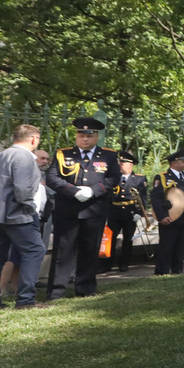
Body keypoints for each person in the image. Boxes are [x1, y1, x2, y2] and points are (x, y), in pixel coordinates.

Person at [45, 117, 121, 298]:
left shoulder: (109, 156)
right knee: (62, 253)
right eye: (81, 134)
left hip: (94, 209)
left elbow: (113, 179)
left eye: (89, 135)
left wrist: (94, 191)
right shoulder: (63, 154)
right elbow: (52, 179)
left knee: (90, 251)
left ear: (96, 136)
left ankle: (85, 288)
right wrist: (72, 190)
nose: (85, 138)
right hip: (67, 210)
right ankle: (56, 291)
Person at [0, 126, 48, 310]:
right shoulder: (24, 157)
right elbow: (23, 189)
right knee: (34, 250)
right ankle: (26, 300)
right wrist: (30, 207)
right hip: (18, 214)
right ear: (34, 139)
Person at [150, 150, 184, 276]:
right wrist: (162, 216)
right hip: (170, 218)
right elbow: (156, 198)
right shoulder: (163, 177)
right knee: (166, 247)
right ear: (174, 163)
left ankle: (177, 270)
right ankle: (162, 272)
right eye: (182, 161)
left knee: (180, 247)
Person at [107, 151, 146, 272]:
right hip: (114, 212)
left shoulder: (139, 179)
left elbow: (142, 198)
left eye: (123, 162)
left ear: (131, 164)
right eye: (120, 162)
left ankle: (124, 263)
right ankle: (107, 264)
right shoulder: (114, 177)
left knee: (128, 240)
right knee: (110, 239)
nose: (120, 164)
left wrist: (139, 213)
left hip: (130, 213)